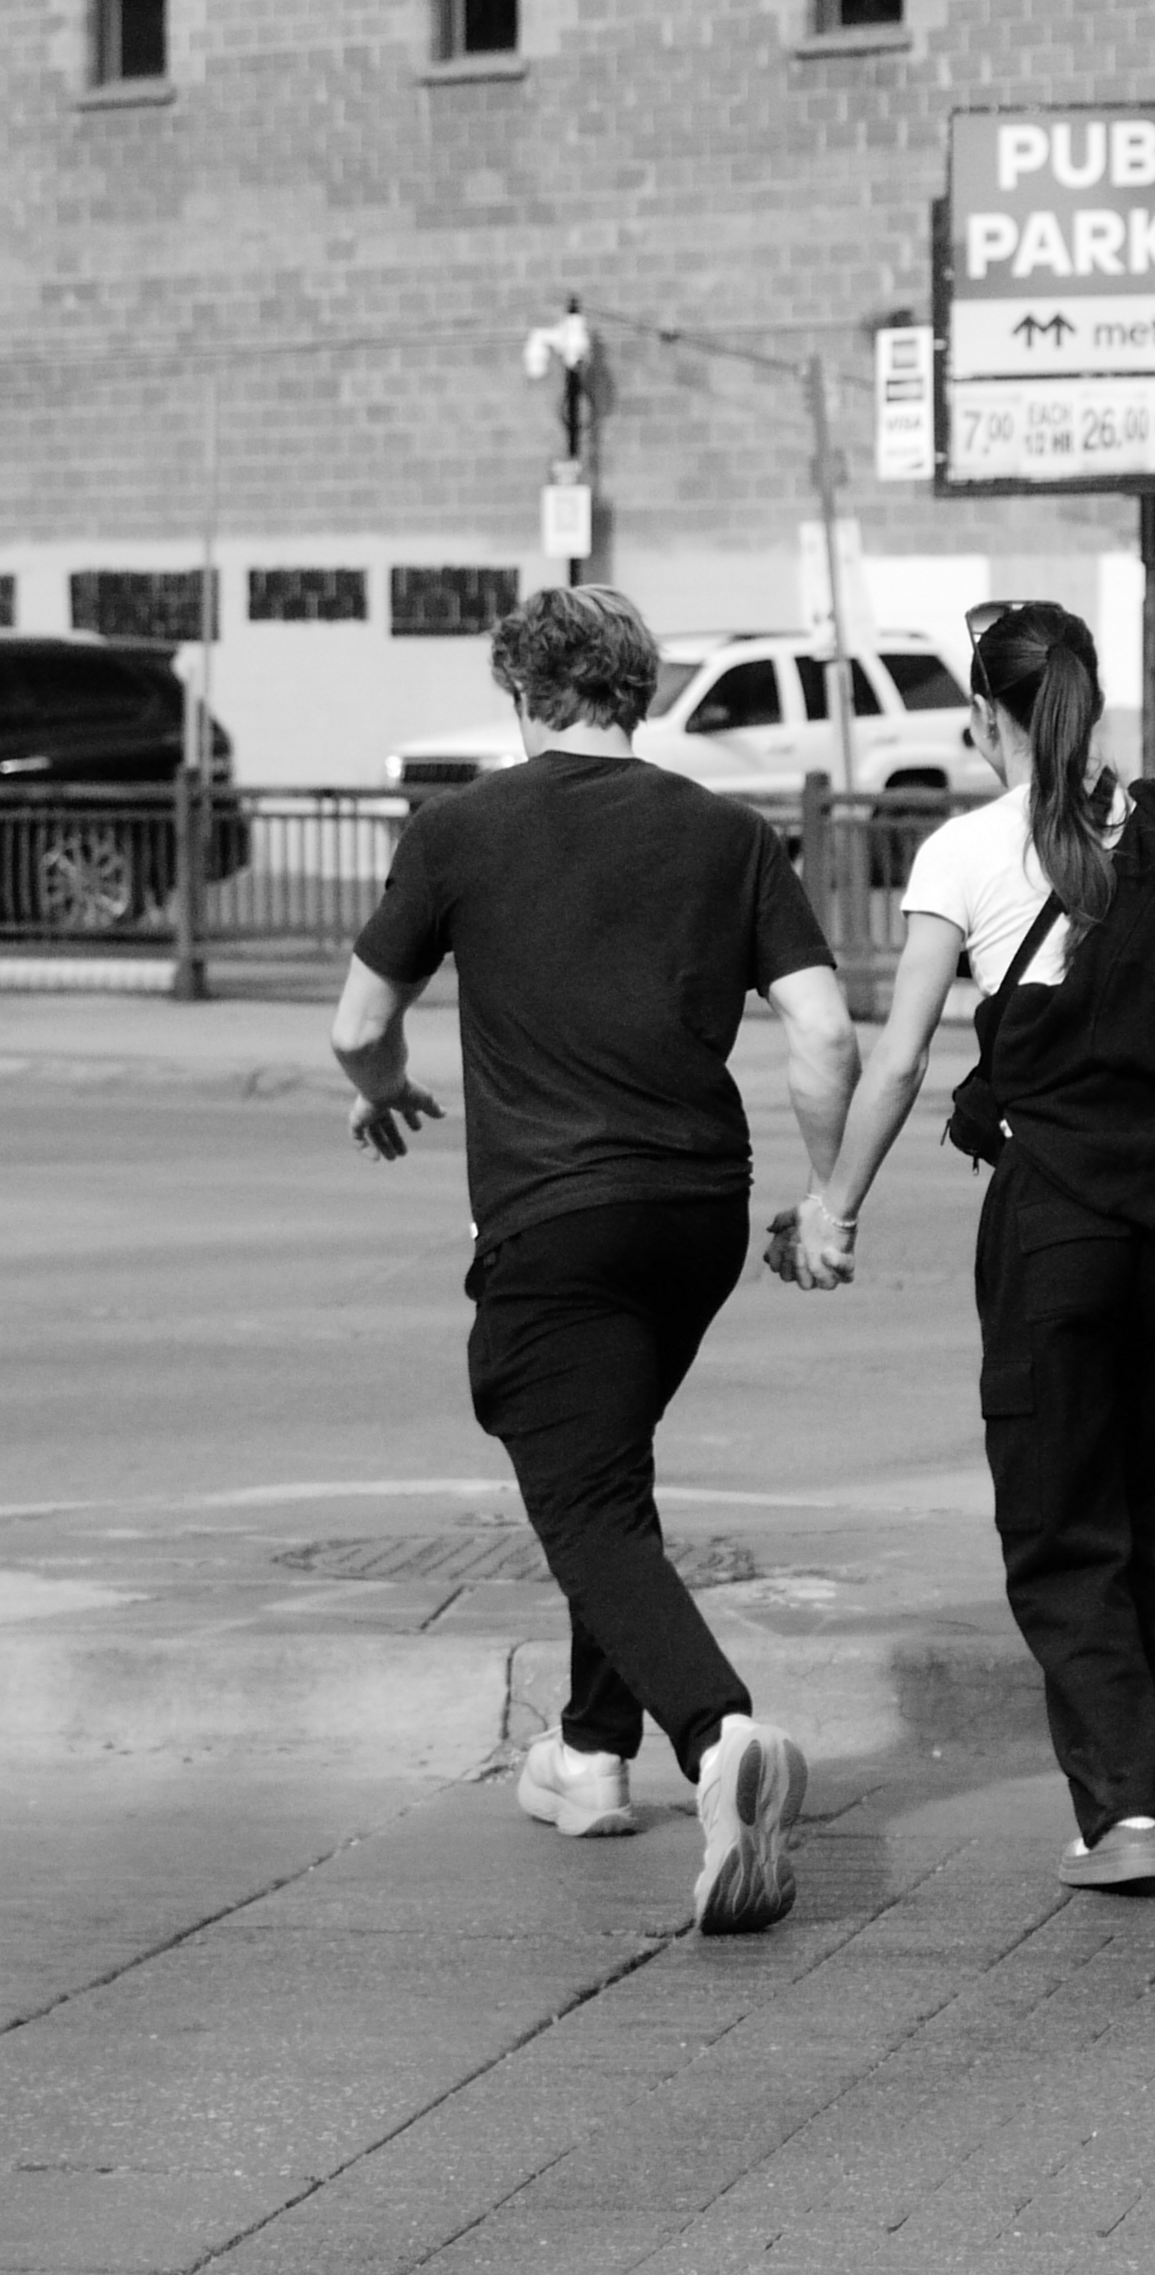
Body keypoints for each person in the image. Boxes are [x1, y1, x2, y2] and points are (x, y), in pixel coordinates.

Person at [772, 600, 1155, 1892]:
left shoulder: (961, 857)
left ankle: (1122, 1812)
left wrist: (836, 1200)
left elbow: (896, 1065)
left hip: (1057, 1225)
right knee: (1134, 1487)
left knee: (1057, 1522)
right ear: (1092, 704)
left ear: (986, 718)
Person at [332, 584, 859, 1935]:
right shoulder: (730, 835)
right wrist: (821, 1191)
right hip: (700, 1215)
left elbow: (356, 1024)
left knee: (568, 1472)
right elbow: (825, 1037)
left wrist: (384, 1085)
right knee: (604, 1466)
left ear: (524, 694)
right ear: (637, 687)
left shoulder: (461, 833)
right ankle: (585, 1753)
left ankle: (720, 1737)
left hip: (556, 1214)